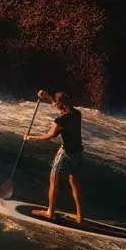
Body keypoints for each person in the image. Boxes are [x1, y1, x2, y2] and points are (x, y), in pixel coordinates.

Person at [27, 90, 84, 223]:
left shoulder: (60, 120)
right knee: (74, 184)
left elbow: (50, 135)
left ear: (61, 105)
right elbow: (60, 107)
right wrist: (47, 97)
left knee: (53, 180)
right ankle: (80, 216)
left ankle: (50, 213)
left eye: (57, 104)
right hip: (79, 154)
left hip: (67, 153)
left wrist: (30, 137)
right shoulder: (77, 114)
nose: (56, 106)